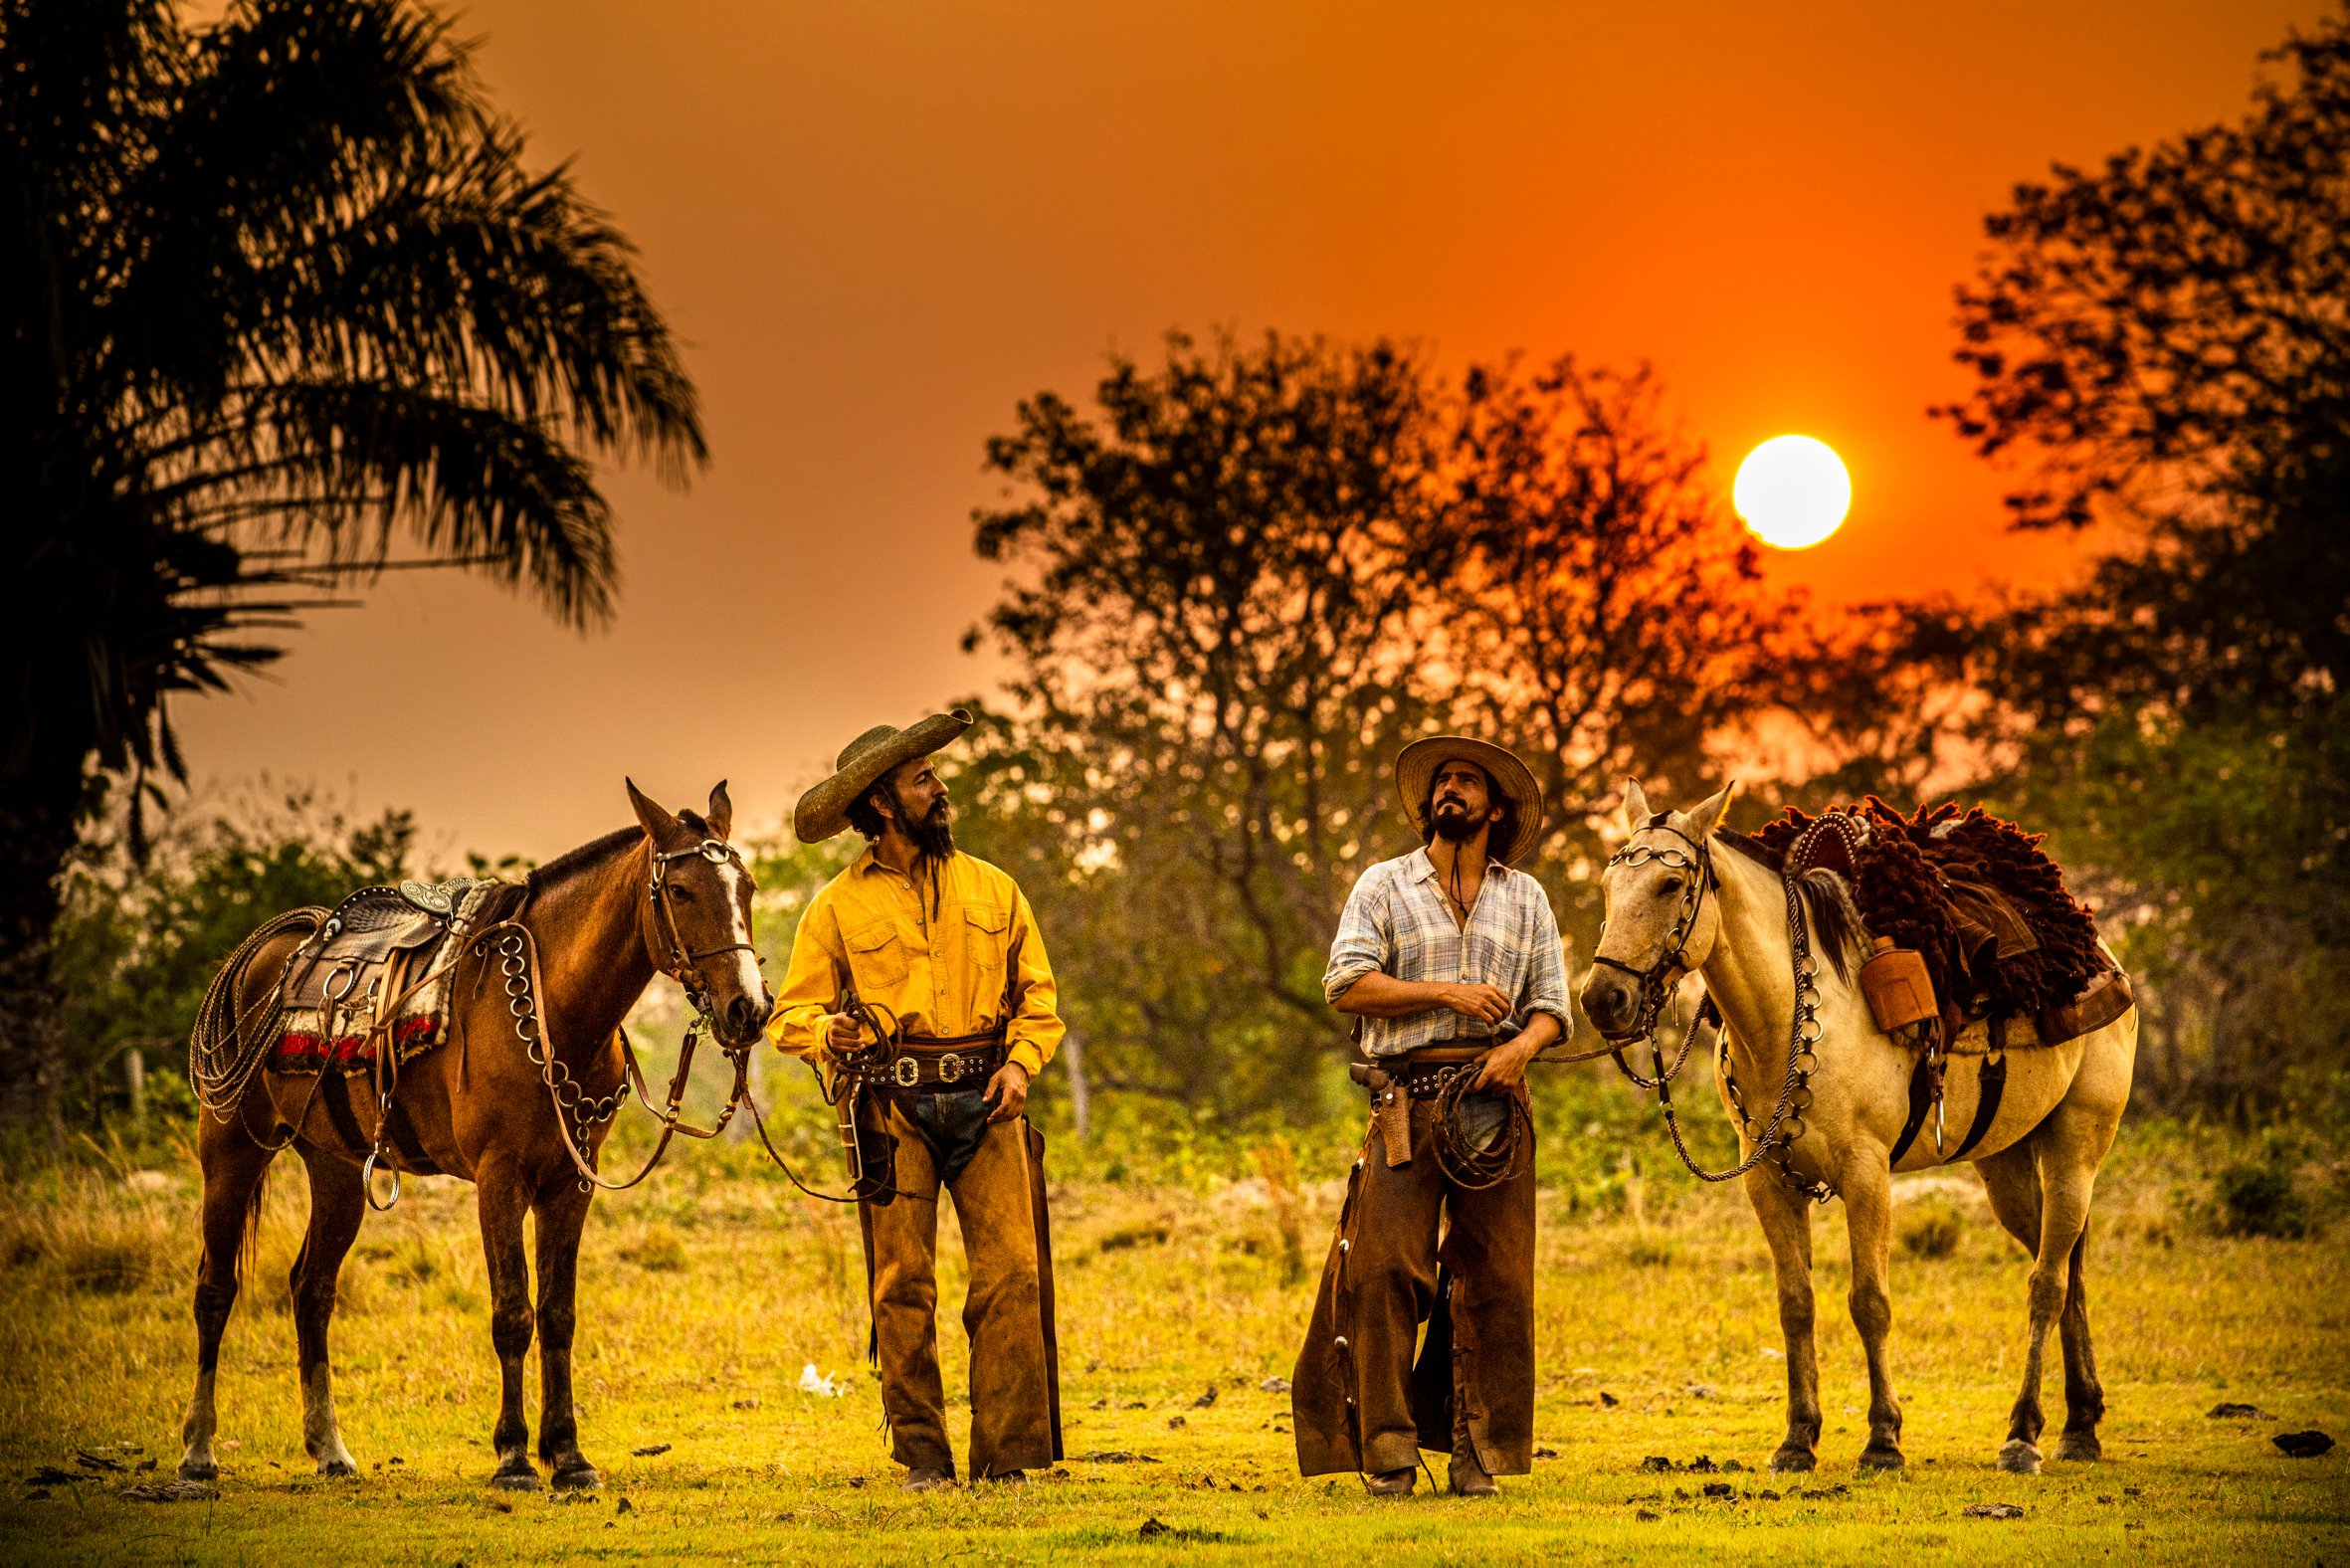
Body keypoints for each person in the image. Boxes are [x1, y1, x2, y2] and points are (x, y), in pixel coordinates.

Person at [769, 709, 1064, 1490]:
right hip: (891, 1113)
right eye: (923, 778)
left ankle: (1004, 1460)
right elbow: (787, 1016)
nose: (941, 788)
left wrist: (1022, 1067)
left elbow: (1039, 999)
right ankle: (923, 1458)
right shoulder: (833, 908)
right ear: (880, 804)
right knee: (902, 1284)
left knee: (1013, 1276)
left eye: (934, 774)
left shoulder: (996, 888)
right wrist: (827, 1030)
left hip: (989, 1101)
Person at [1291, 735, 1574, 1497]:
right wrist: (1446, 994)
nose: (1450, 789)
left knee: (1499, 1280)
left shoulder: (1528, 897)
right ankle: (1387, 1452)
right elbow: (1345, 984)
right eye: (1442, 781)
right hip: (1405, 1103)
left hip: (1497, 1108)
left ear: (1497, 808)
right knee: (1384, 1268)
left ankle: (1478, 1453)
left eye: (1467, 781)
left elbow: (1554, 1007)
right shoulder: (1384, 884)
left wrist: (1522, 1050)